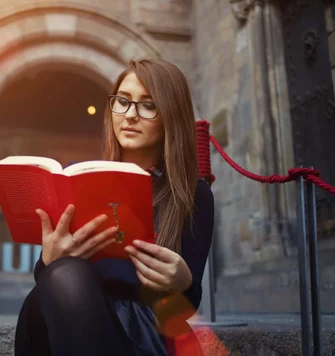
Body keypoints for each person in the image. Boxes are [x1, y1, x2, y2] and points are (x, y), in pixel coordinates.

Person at [14, 59, 215, 356]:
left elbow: (186, 307)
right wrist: (48, 260)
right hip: (66, 310)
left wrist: (183, 283)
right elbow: (47, 283)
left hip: (143, 326)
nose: (130, 115)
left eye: (147, 105)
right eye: (123, 101)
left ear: (171, 115)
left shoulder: (192, 194)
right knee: (65, 273)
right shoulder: (76, 177)